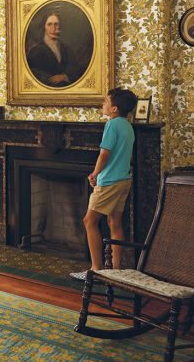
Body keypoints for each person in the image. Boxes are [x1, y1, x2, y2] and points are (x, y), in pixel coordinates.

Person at [70, 87, 138, 281]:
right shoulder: (128, 126)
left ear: (114, 108)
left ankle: (95, 269)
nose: (103, 104)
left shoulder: (112, 125)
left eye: (106, 102)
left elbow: (104, 154)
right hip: (124, 180)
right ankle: (115, 271)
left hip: (108, 182)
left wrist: (95, 173)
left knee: (89, 221)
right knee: (114, 223)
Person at [26, 13, 80, 87]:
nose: (53, 28)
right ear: (44, 27)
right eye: (49, 24)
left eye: (56, 24)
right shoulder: (35, 51)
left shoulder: (67, 49)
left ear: (60, 27)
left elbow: (76, 71)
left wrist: (64, 77)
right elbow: (34, 76)